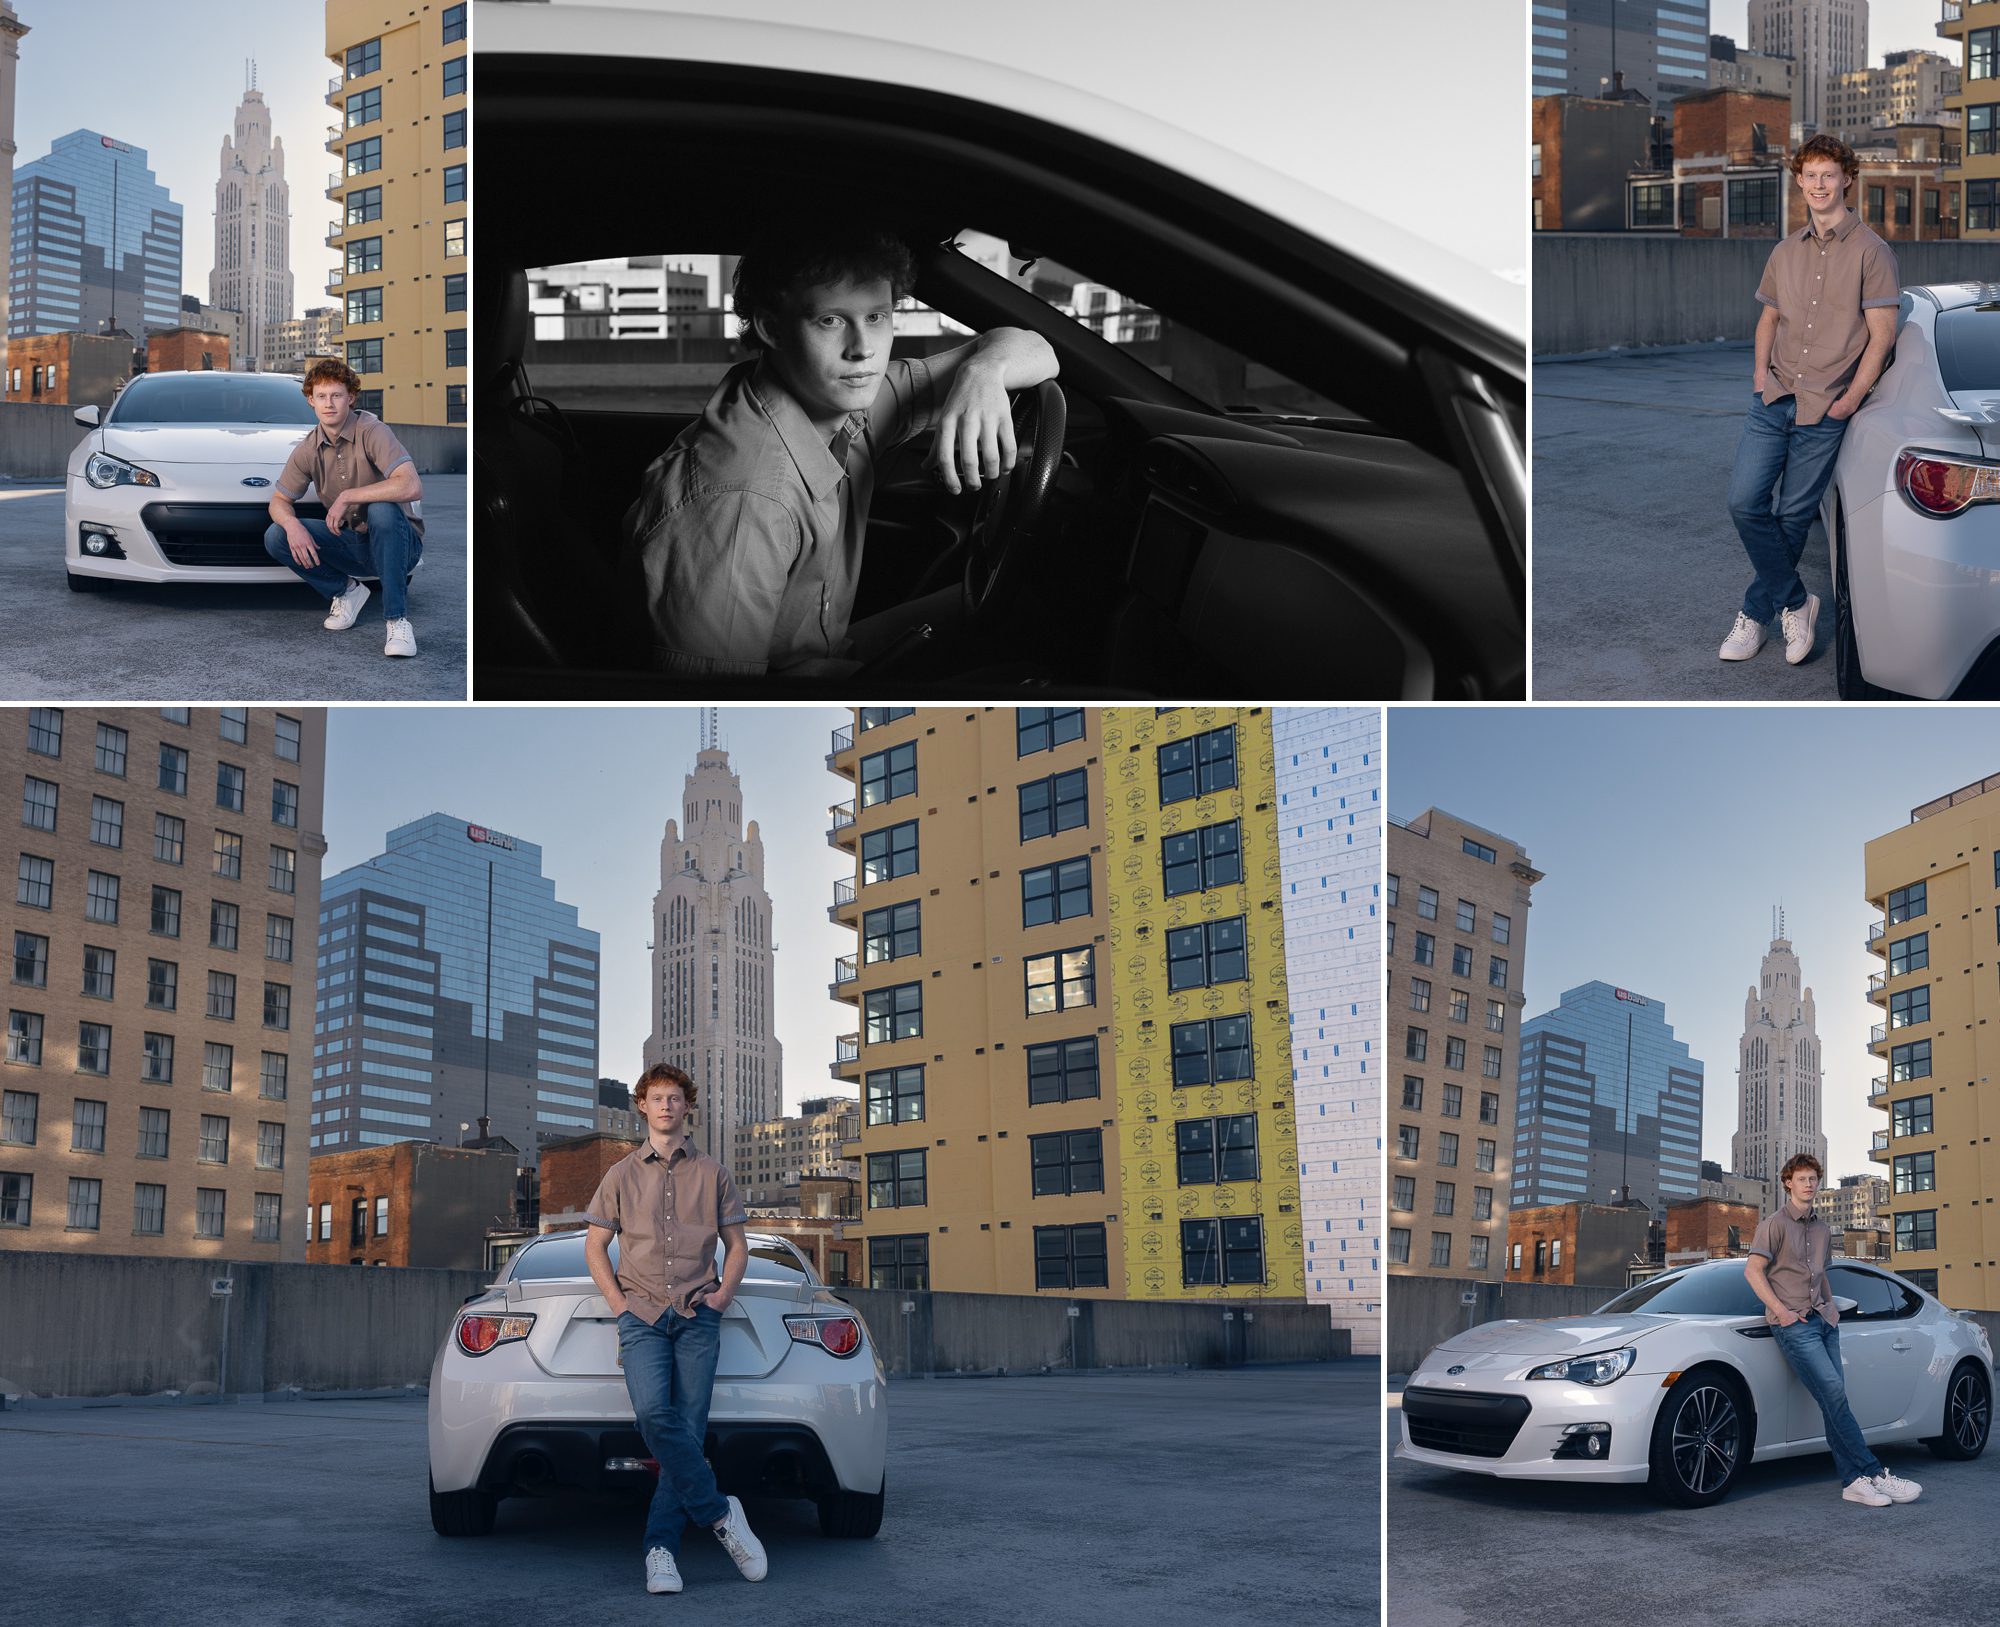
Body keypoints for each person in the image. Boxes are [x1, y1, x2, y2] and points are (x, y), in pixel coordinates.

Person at [623, 225, 1059, 676]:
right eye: (830, 321)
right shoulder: (743, 502)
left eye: (877, 317)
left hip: (827, 656)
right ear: (772, 327)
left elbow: (1038, 348)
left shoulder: (839, 398)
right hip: (784, 701)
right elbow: (718, 710)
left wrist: (981, 375)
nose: (863, 350)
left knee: (1021, 600)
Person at [583, 1063, 767, 1594]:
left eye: (674, 1098)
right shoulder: (619, 1175)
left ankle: (660, 1550)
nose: (666, 1106)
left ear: (688, 1107)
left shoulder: (714, 1173)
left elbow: (738, 1246)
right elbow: (595, 1246)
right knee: (652, 1416)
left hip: (698, 1315)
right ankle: (720, 1514)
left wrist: (721, 1297)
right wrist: (618, 1304)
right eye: (656, 1098)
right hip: (639, 1315)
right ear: (641, 1106)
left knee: (685, 1431)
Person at [1718, 133, 1899, 668]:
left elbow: (1882, 335)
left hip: (1826, 406)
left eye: (1829, 175)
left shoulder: (1873, 252)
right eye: (1810, 175)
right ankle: (1797, 600)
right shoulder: (1783, 251)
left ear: (1847, 179)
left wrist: (1849, 401)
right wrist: (1758, 375)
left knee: (1794, 516)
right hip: (1774, 396)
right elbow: (1769, 318)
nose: (1820, 185)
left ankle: (1755, 616)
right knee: (1745, 502)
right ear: (1799, 182)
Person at [1744, 1153, 1920, 1507]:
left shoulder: (1823, 1230)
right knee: (1835, 1396)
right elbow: (1752, 1271)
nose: (1809, 1185)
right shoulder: (1773, 1225)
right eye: (1803, 1179)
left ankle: (1853, 1481)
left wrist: (1830, 1311)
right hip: (1794, 1327)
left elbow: (1822, 1276)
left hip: (1823, 1323)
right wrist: (1781, 1312)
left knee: (1832, 1401)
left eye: (1814, 1179)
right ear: (1787, 1183)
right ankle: (1874, 1473)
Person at [264, 357, 426, 658]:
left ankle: (397, 621)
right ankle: (347, 592)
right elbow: (279, 501)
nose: (329, 404)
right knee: (276, 535)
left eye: (337, 395)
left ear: (350, 398)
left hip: (399, 545)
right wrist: (292, 525)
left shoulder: (371, 430)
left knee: (382, 509)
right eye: (322, 396)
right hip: (352, 545)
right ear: (311, 401)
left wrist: (348, 495)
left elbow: (411, 485)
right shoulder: (307, 448)